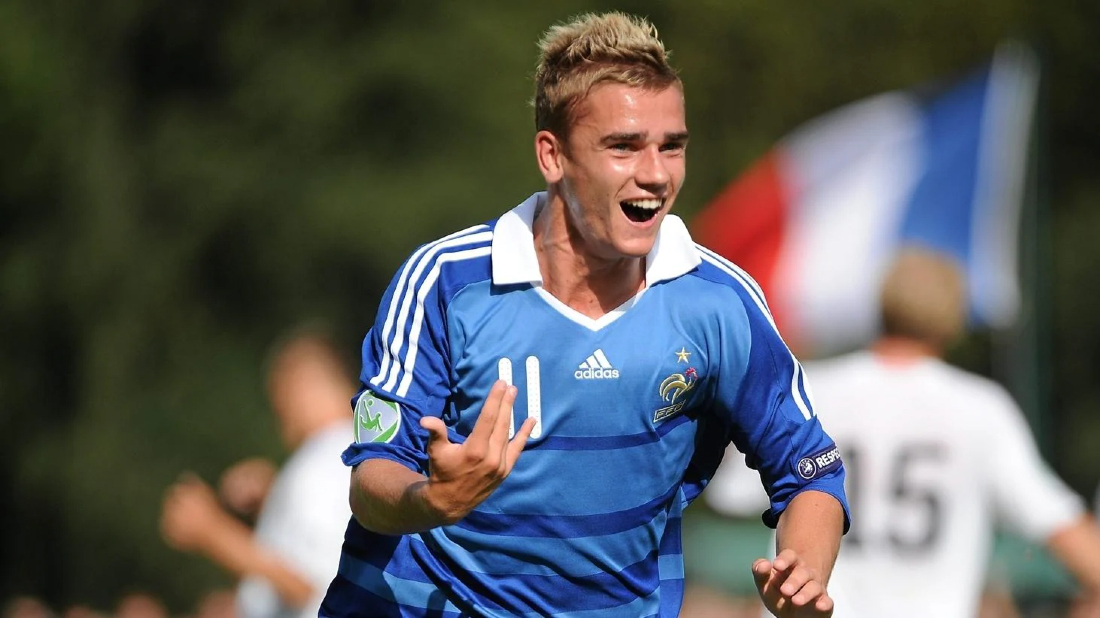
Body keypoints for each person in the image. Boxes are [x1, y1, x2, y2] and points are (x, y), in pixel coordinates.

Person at [319, 12, 849, 618]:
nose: (656, 174)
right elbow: (373, 477)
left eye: (672, 146)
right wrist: (431, 499)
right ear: (553, 156)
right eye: (623, 146)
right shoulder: (447, 281)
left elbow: (810, 472)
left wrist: (804, 575)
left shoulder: (716, 302)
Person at [706, 246, 1100, 617]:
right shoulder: (981, 408)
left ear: (882, 306)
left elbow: (731, 493)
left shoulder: (810, 387)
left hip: (814, 612)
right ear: (954, 319)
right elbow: (1055, 520)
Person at [160, 330, 355, 618]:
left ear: (302, 385)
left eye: (278, 396)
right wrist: (272, 501)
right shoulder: (354, 452)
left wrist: (211, 530)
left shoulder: (324, 459)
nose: (278, 414)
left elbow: (309, 582)